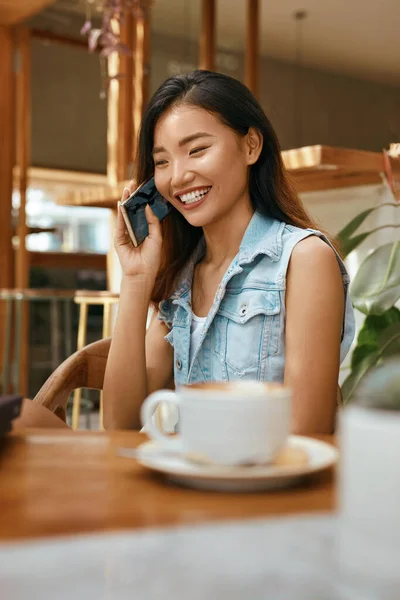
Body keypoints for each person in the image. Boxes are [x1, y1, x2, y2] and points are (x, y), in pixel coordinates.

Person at [103, 70, 355, 434]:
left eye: (197, 150)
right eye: (162, 162)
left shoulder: (304, 259)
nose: (178, 177)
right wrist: (136, 278)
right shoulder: (181, 278)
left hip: (262, 485)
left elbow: (307, 432)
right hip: (188, 475)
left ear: (251, 146)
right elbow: (118, 426)